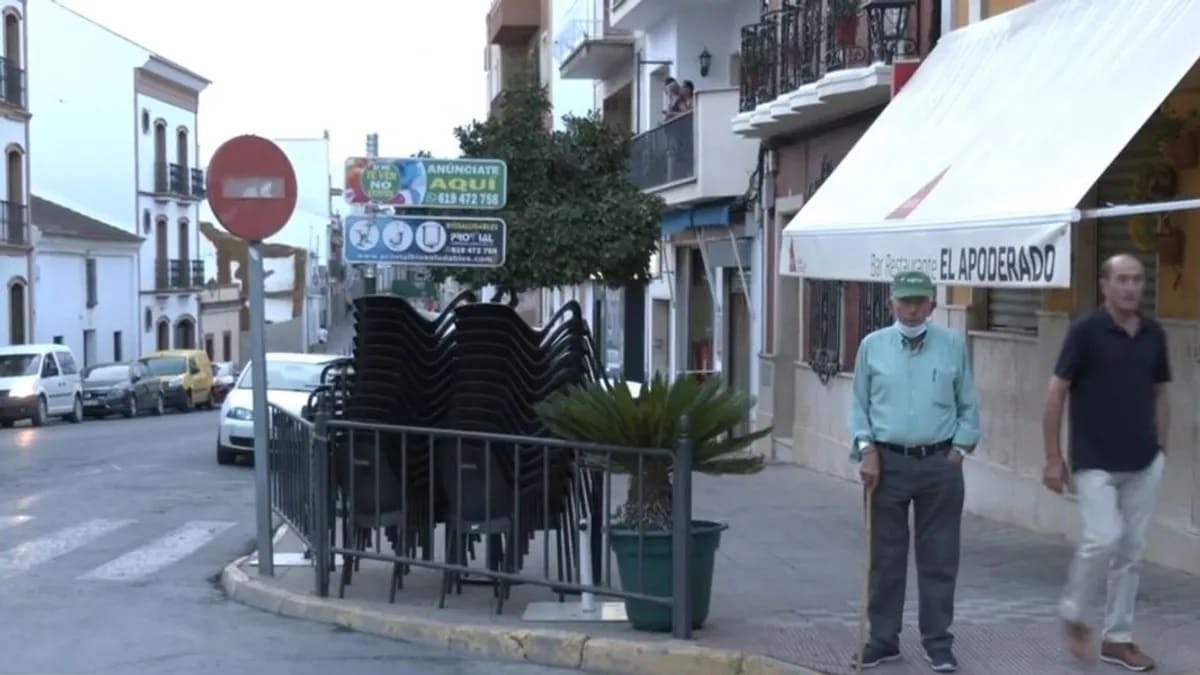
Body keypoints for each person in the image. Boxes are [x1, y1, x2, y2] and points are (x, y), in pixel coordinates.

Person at [848, 270, 980, 672]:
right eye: (904, 301)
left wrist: (958, 450)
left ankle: (938, 641)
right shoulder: (872, 346)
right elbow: (859, 406)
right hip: (886, 463)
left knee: (939, 557)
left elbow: (968, 405)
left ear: (932, 305)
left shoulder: (953, 344)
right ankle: (883, 639)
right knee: (885, 558)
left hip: (939, 464)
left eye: (919, 301)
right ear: (891, 304)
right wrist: (866, 449)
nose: (911, 309)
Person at [1042, 253, 1168, 672]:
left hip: (1144, 462)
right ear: (1105, 285)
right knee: (1104, 537)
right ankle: (1074, 612)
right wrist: (1052, 458)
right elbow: (1056, 393)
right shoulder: (1085, 332)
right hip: (1094, 460)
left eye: (1137, 279)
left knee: (1131, 552)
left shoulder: (1154, 333)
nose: (1131, 287)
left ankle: (1118, 639)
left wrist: (1161, 448)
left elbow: (1161, 392)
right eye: (1122, 279)